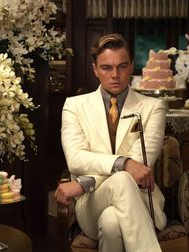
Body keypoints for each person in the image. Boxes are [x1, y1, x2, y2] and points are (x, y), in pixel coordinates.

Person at [55, 33, 167, 252]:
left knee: (111, 222)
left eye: (122, 66)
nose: (115, 75)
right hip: (92, 203)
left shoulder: (154, 107)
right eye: (106, 68)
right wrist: (124, 163)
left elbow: (140, 167)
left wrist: (81, 183)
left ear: (132, 66)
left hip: (141, 201)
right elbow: (76, 159)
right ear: (95, 70)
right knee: (124, 177)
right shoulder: (74, 106)